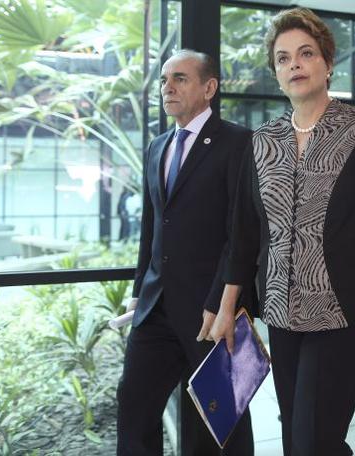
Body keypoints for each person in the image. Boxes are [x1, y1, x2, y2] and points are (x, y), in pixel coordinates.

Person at [200, 8, 355, 455]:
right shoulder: (261, 142)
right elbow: (242, 236)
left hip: (344, 310)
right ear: (276, 73)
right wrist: (225, 309)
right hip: (281, 313)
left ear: (327, 63)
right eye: (283, 59)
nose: (295, 65)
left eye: (306, 54)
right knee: (295, 436)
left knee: (312, 441)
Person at [116, 50, 254, 455]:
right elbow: (150, 229)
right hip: (155, 309)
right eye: (163, 80)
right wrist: (139, 291)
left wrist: (220, 302)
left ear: (209, 88)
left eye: (179, 78)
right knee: (134, 408)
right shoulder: (157, 147)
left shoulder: (238, 142)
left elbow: (240, 234)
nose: (167, 88)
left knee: (221, 422)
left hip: (211, 311)